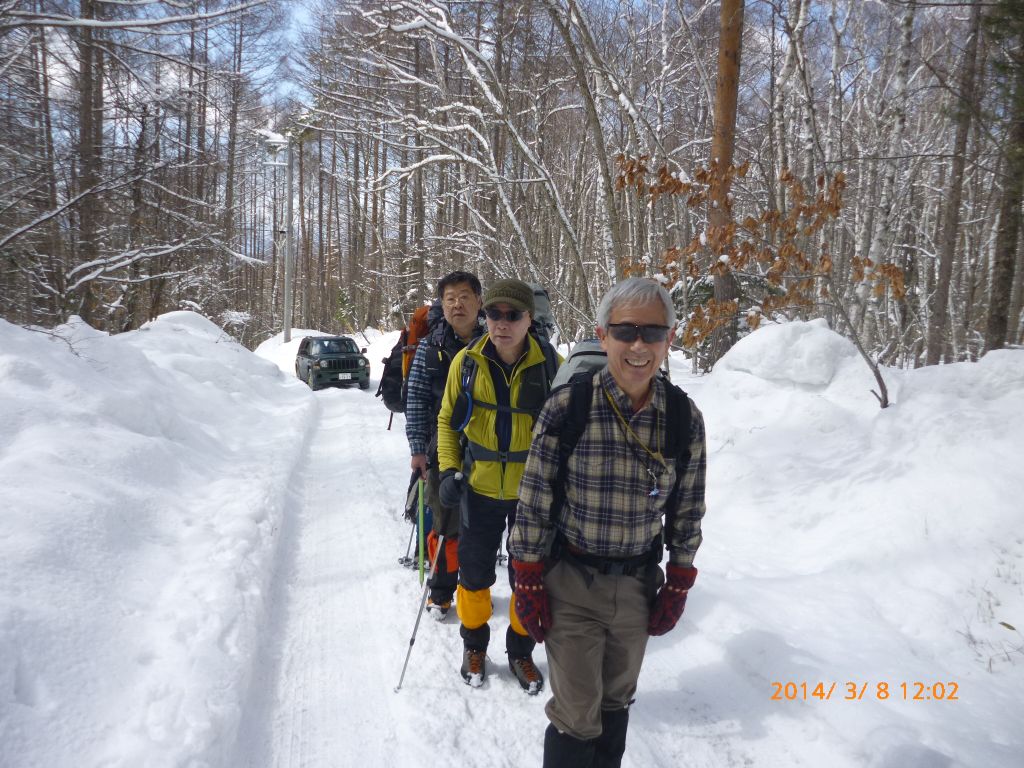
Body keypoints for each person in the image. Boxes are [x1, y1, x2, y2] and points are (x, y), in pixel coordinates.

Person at [508, 278, 707, 768]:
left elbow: (688, 508)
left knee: (616, 703)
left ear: (669, 337)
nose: (638, 345)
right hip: (572, 583)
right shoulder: (568, 406)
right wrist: (527, 579)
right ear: (603, 334)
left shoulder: (683, 416)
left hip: (638, 587)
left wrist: (679, 581)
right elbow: (533, 499)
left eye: (652, 332)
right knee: (578, 714)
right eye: (625, 331)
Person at [436, 278, 560, 692]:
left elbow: (568, 429)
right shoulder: (467, 363)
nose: (501, 323)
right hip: (479, 489)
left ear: (529, 319)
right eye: (494, 314)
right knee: (473, 575)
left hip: (532, 495)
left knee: (530, 578)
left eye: (513, 315)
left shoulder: (551, 366)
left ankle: (521, 652)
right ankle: (475, 646)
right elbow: (447, 422)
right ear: (485, 316)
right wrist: (448, 470)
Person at [405, 271, 484, 618]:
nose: (457, 304)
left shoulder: (494, 341)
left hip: (487, 446)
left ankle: (474, 585)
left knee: (481, 522)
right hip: (441, 447)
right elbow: (417, 398)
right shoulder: (429, 347)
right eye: (450, 298)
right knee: (443, 519)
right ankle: (441, 587)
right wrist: (417, 449)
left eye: (465, 296)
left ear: (479, 302)